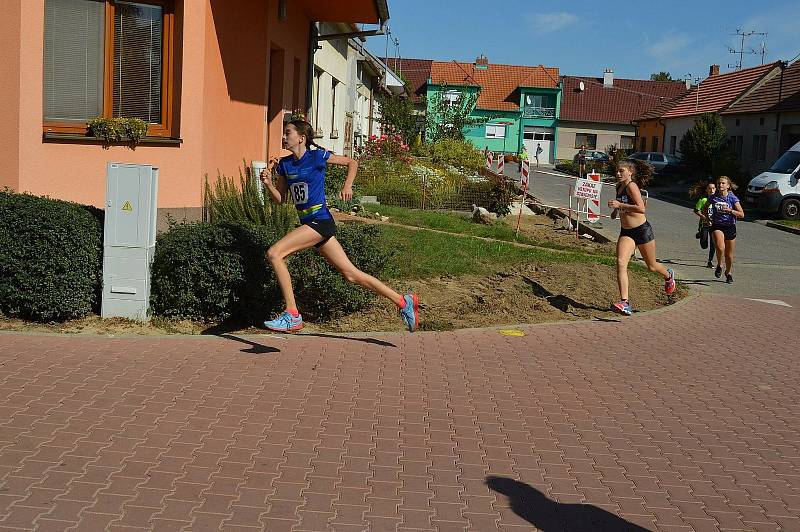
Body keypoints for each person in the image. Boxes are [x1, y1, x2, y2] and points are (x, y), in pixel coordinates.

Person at [259, 119, 420, 332]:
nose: (283, 136)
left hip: (320, 221)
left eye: (288, 132)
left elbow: (352, 162)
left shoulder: (318, 156)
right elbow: (281, 200)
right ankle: (403, 301)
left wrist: (348, 186)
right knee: (351, 274)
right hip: (309, 223)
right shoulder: (286, 165)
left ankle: (292, 314)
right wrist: (269, 184)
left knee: (275, 254)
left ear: (301, 138)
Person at [608, 160, 676, 315]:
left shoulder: (632, 186)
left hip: (642, 230)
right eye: (617, 171)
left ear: (630, 172)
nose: (618, 174)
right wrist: (615, 210)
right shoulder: (618, 186)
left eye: (621, 171)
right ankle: (625, 302)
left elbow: (641, 208)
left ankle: (668, 275)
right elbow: (621, 203)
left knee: (651, 266)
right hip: (626, 232)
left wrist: (620, 206)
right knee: (620, 263)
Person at [708, 175, 744, 284]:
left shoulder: (732, 198)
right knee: (719, 247)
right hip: (717, 225)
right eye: (719, 183)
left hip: (729, 227)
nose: (720, 185)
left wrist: (730, 210)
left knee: (729, 254)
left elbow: (742, 214)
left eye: (723, 183)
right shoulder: (713, 197)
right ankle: (719, 264)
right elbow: (706, 207)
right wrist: (707, 218)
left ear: (728, 186)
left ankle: (728, 273)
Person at [689, 180, 717, 268]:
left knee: (713, 244)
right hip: (704, 224)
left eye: (713, 188)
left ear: (715, 189)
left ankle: (710, 261)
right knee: (704, 245)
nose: (711, 190)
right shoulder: (703, 200)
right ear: (706, 190)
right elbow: (696, 210)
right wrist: (704, 217)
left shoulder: (718, 200)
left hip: (714, 225)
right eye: (709, 188)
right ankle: (700, 234)